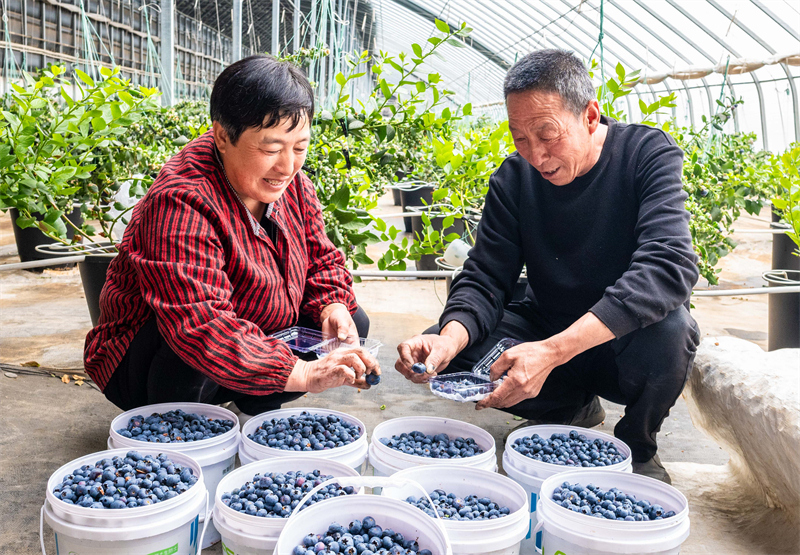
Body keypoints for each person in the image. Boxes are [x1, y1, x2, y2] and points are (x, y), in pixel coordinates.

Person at [395, 49, 700, 483]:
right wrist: (448, 340)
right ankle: (568, 405)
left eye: (547, 133)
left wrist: (554, 351)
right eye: (520, 137)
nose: (536, 155)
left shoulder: (645, 155)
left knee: (672, 330)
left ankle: (636, 443)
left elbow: (669, 263)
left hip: (621, 341)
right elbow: (485, 277)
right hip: (545, 323)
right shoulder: (515, 180)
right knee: (454, 354)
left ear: (590, 116)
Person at [84, 55, 379, 414]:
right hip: (153, 359)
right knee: (188, 351)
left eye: (299, 147)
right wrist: (301, 371)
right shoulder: (181, 201)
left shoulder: (294, 185)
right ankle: (177, 420)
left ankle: (257, 390)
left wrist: (332, 304)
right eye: (271, 149)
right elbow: (199, 323)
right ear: (223, 136)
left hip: (247, 330)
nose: (287, 167)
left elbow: (321, 259)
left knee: (349, 322)